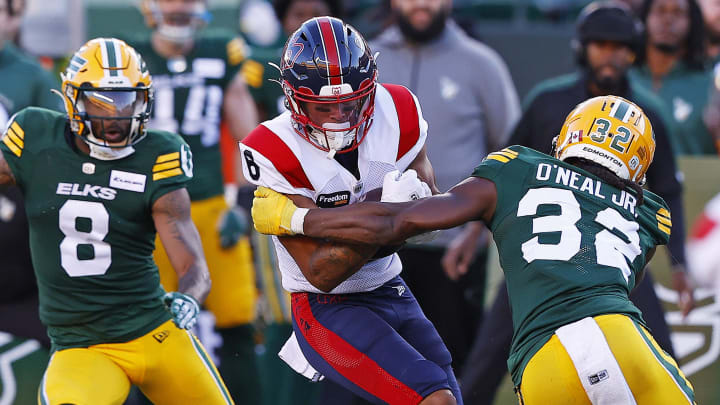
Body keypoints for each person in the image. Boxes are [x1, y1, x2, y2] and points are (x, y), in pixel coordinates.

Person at [251, 95, 697, 404]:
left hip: (541, 362)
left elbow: (394, 220)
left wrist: (296, 217)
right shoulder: (649, 215)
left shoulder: (518, 166)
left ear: (570, 136)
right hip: (616, 336)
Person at [460, 2, 695, 403]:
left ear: (634, 51)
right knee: (488, 355)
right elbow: (502, 174)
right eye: (601, 44)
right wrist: (470, 235)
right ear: (583, 47)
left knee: (656, 349)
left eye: (620, 46)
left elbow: (667, 190)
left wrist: (681, 265)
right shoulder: (549, 102)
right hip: (545, 251)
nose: (611, 54)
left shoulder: (647, 116)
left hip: (611, 254)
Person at [239, 16, 461, 405]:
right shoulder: (273, 147)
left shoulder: (400, 109)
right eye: (323, 107)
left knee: (449, 397)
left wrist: (308, 220)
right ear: (293, 99)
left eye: (350, 103)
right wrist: (393, 217)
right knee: (433, 398)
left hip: (392, 286)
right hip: (325, 309)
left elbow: (431, 220)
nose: (339, 117)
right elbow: (323, 271)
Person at [0, 37, 233, 404]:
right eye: (101, 103)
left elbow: (193, 265)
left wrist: (190, 298)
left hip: (153, 332)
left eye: (128, 102)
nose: (116, 117)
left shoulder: (158, 155)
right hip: (82, 345)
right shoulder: (35, 138)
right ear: (72, 98)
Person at [369, 0, 521, 374]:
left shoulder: (482, 63)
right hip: (371, 247)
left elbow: (512, 155)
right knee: (371, 371)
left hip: (452, 253)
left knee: (447, 369)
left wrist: (474, 230)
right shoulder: (366, 61)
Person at [125, 1, 262, 401]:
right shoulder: (129, 57)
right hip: (144, 213)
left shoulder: (221, 51)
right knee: (145, 326)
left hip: (209, 207)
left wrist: (241, 204)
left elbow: (249, 140)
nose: (178, 6)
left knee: (235, 320)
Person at [629, 0, 717, 155]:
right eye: (660, 11)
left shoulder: (711, 85)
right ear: (645, 17)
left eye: (678, 13)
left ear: (692, 23)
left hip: (694, 178)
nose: (668, 20)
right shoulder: (624, 79)